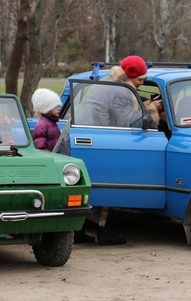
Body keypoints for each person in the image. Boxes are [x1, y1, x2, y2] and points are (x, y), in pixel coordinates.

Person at [74, 55, 164, 245]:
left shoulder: (109, 80)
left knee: (91, 185)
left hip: (88, 135)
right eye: (140, 79)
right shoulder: (122, 91)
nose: (142, 83)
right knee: (107, 183)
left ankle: (80, 230)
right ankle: (104, 231)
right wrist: (152, 108)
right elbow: (129, 123)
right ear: (130, 75)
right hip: (97, 137)